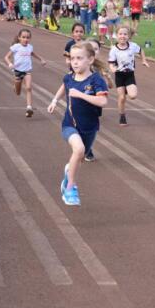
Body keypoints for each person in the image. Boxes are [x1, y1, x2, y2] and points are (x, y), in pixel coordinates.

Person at [48, 42, 109, 205]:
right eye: (72, 58)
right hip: (69, 125)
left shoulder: (97, 80)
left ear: (90, 59)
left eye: (79, 58)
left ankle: (69, 172)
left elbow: (103, 101)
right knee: (79, 149)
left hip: (90, 127)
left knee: (79, 157)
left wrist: (81, 95)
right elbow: (64, 87)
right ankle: (70, 188)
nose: (74, 62)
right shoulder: (69, 77)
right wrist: (54, 100)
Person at [108, 25, 149, 126]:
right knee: (122, 98)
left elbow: (141, 50)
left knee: (133, 96)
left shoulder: (133, 46)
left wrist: (144, 60)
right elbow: (111, 63)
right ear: (116, 36)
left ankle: (128, 88)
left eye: (125, 34)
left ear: (129, 36)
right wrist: (112, 68)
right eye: (120, 34)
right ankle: (122, 116)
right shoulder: (114, 49)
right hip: (119, 75)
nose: (123, 36)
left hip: (129, 74)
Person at [4, 28, 47, 118]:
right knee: (18, 92)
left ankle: (29, 108)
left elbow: (32, 54)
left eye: (28, 37)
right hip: (17, 71)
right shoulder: (16, 47)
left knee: (29, 88)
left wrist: (41, 59)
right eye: (23, 37)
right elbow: (6, 57)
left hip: (27, 71)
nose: (25, 39)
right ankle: (16, 86)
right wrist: (10, 64)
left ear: (30, 39)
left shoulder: (30, 47)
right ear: (19, 38)